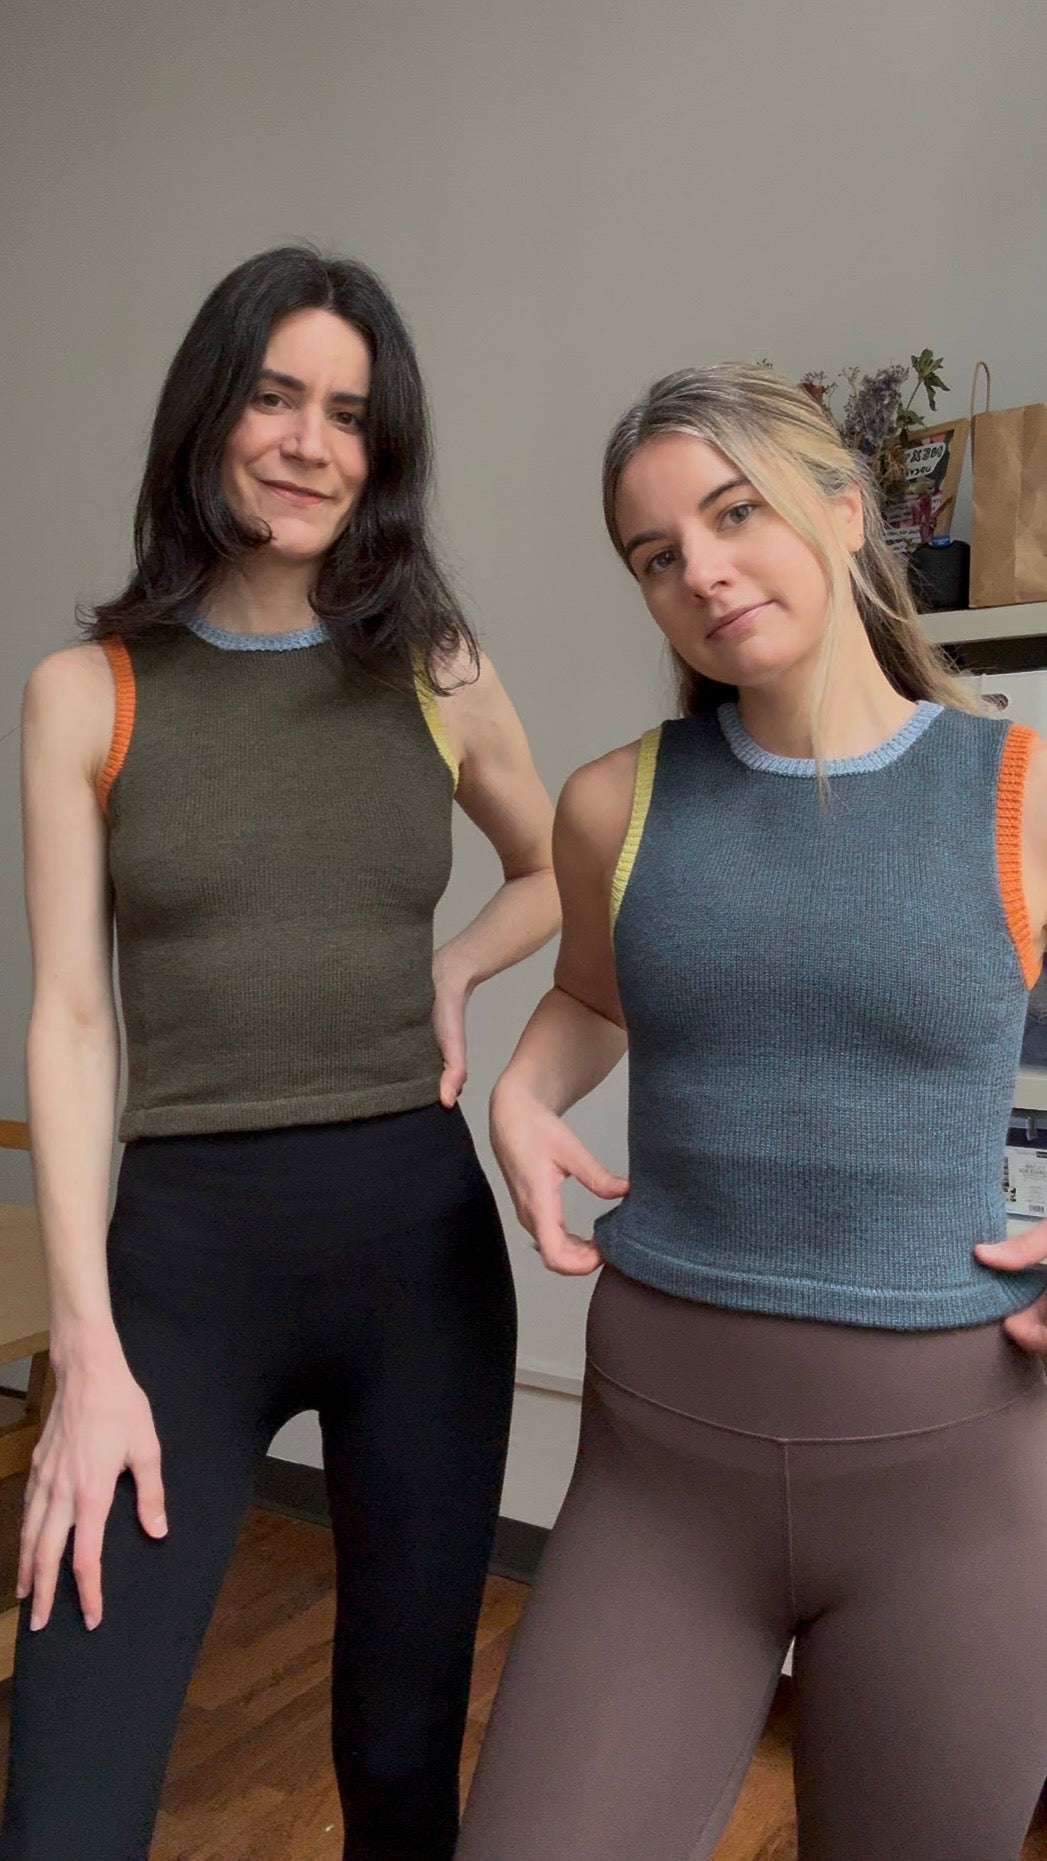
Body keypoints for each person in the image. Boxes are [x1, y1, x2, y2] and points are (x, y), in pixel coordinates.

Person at [2, 245, 557, 1861]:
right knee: (67, 1807)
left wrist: (456, 962)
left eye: (351, 414)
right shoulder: (85, 693)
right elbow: (72, 1014)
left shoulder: (435, 665)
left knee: (399, 1763)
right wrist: (84, 1349)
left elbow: (559, 873)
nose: (312, 442)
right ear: (210, 414)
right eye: (274, 397)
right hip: (180, 1273)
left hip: (419, 1265)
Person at [455, 363, 1047, 1861]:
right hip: (661, 1481)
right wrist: (524, 1085)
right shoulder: (616, 802)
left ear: (844, 510)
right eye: (657, 554)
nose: (702, 571)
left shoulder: (1020, 790)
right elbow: (597, 995)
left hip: (956, 1491)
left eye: (735, 514)